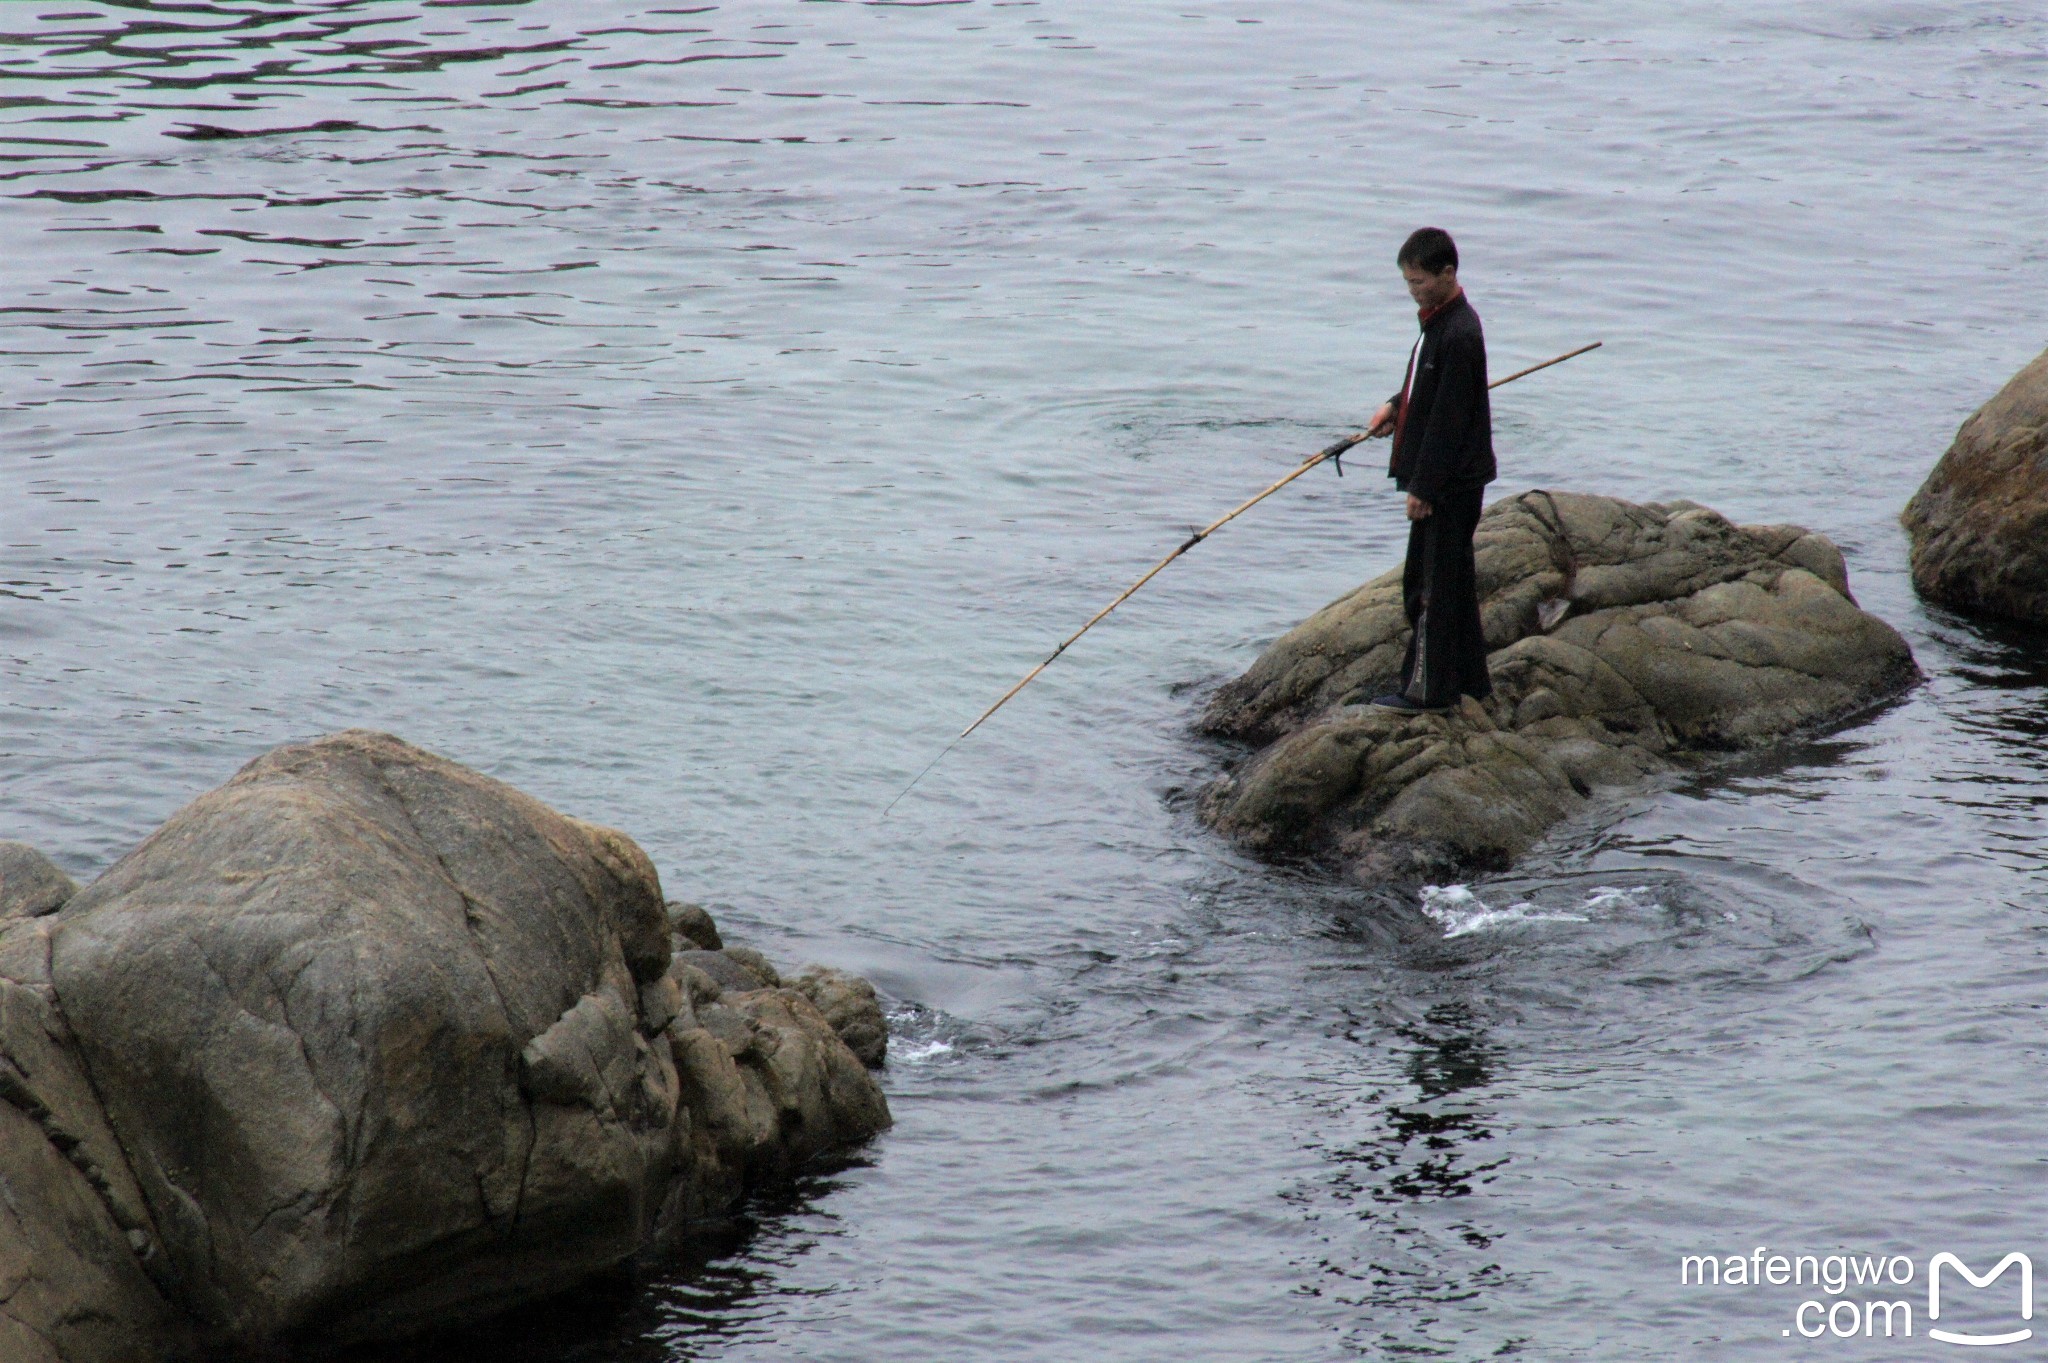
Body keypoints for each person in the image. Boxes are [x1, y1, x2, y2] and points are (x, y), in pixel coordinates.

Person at [1362, 227, 1495, 712]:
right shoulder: (1440, 324)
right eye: (1408, 282)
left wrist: (1423, 487)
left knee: (1429, 589)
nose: (1413, 291)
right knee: (1453, 581)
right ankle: (1471, 682)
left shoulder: (1459, 333)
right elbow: (1429, 389)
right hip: (1453, 479)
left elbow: (1449, 420)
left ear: (1448, 273)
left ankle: (1429, 691)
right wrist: (1398, 406)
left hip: (1448, 484)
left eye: (1419, 282)